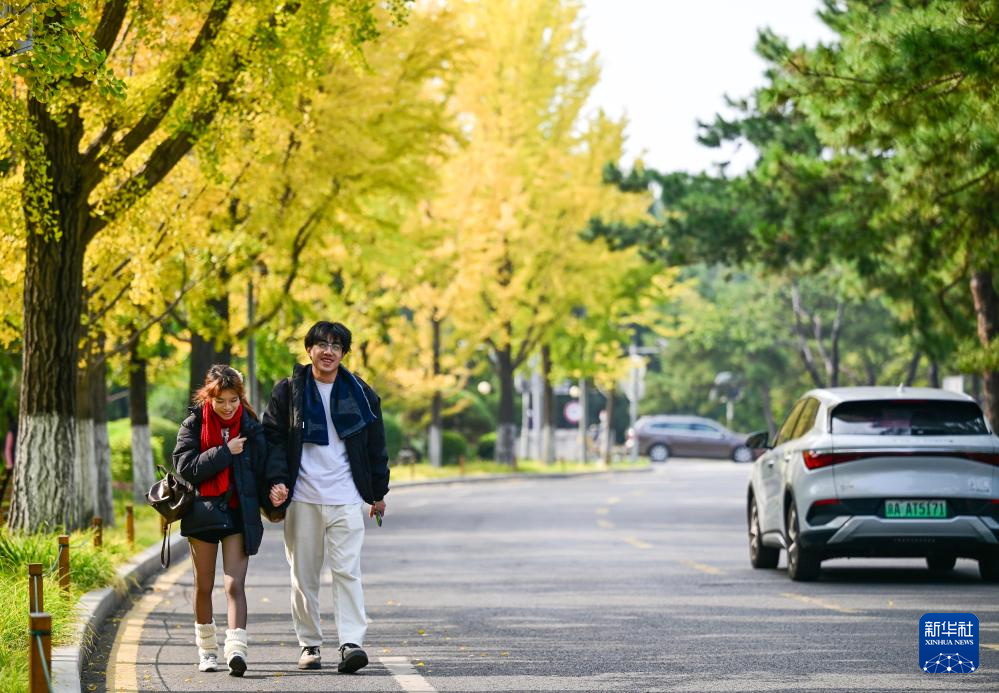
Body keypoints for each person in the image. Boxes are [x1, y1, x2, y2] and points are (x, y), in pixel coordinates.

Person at [262, 320, 389, 673]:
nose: (328, 351)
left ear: (343, 353)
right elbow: (272, 439)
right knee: (303, 575)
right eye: (322, 344)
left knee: (347, 572)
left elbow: (376, 446)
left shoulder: (361, 394)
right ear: (309, 349)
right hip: (302, 496)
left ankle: (351, 643)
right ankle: (310, 645)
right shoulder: (288, 391)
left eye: (336, 345)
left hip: (346, 496)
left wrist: (377, 493)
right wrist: (276, 481)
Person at [173, 365, 268, 676]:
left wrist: (276, 488)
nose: (228, 407)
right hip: (202, 513)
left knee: (234, 584)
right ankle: (207, 651)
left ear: (241, 397)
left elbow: (263, 467)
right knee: (204, 585)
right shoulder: (193, 423)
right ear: (208, 397)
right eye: (221, 401)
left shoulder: (250, 426)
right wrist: (225, 452)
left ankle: (236, 649)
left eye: (233, 400)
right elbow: (186, 468)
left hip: (238, 513)